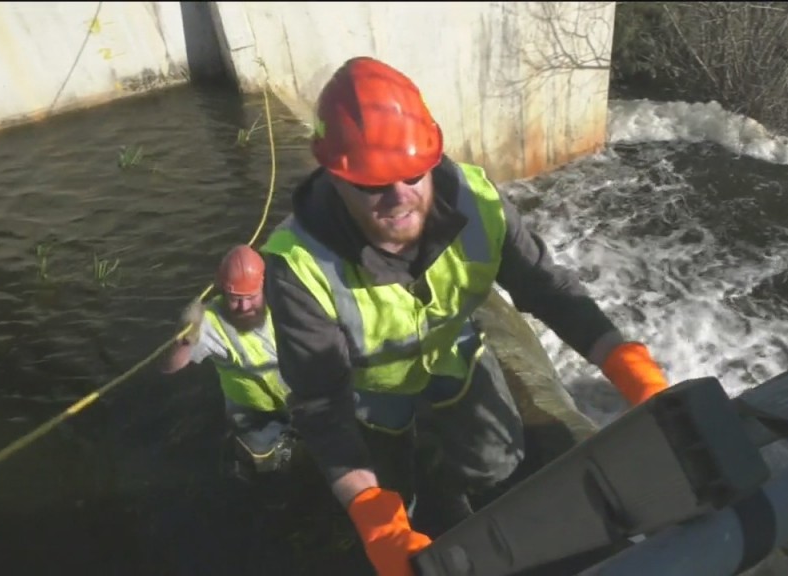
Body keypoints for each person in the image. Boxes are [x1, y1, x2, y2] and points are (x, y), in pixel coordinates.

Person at [259, 56, 671, 576]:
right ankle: (410, 497)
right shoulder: (297, 266)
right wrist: (372, 514)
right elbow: (321, 404)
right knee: (393, 500)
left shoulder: (478, 202)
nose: (400, 197)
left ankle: (457, 475)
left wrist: (625, 362)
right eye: (372, 184)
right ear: (335, 177)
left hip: (452, 354)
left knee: (495, 461)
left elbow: (546, 287)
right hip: (370, 391)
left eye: (413, 174)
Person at [162, 244, 296, 483]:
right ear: (223, 291)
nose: (244, 307)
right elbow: (170, 368)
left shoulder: (283, 302)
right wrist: (183, 339)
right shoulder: (209, 323)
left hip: (298, 399)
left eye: (251, 298)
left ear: (263, 287)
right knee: (264, 468)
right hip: (252, 415)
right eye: (235, 299)